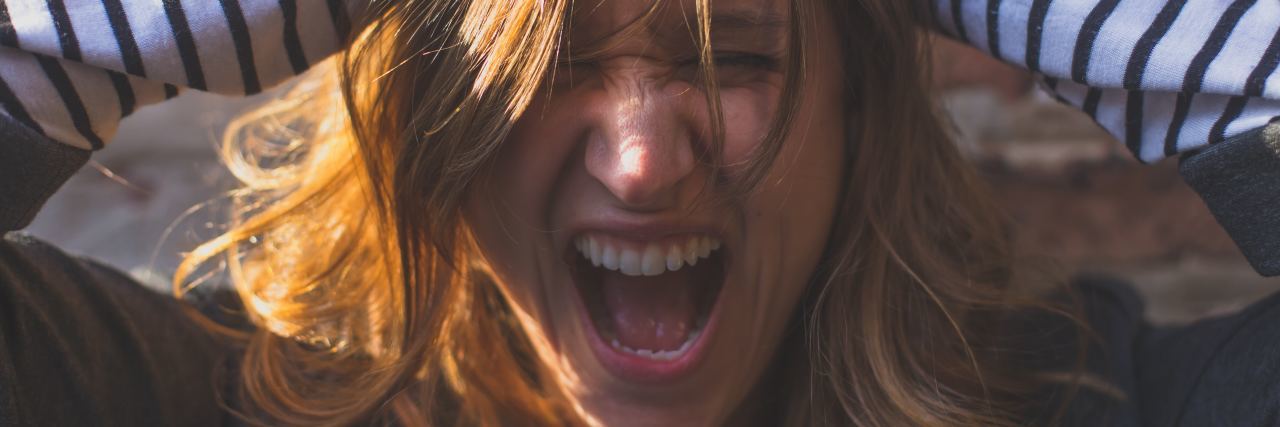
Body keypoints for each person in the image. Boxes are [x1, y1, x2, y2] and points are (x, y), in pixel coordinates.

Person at [0, 0, 1278, 425]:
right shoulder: (209, 400)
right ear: (435, 117)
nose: (639, 163)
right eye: (539, 66)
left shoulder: (1105, 404)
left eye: (731, 59)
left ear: (858, 108)